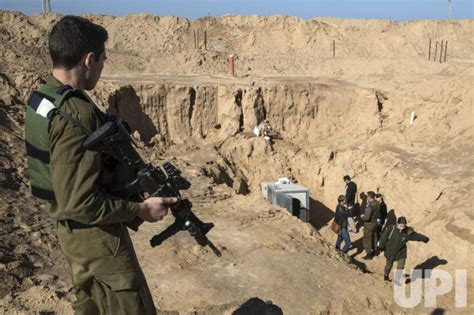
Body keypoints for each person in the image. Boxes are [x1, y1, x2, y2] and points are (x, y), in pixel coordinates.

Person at [25, 16, 176, 314]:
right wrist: (140, 211)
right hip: (97, 239)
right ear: (89, 60)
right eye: (103, 60)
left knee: (93, 307)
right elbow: (79, 201)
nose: (103, 68)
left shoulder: (44, 97)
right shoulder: (76, 114)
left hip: (73, 237)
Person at [378, 217, 429, 283]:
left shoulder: (408, 232)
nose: (402, 227)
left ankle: (397, 279)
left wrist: (424, 239)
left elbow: (416, 236)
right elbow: (383, 238)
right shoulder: (391, 229)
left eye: (404, 225)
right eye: (400, 225)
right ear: (397, 223)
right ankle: (386, 276)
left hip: (401, 252)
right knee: (389, 265)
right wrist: (380, 246)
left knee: (401, 266)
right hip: (390, 251)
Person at [361, 191, 380, 260]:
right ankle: (376, 251)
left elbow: (367, 217)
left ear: (369, 197)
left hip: (369, 224)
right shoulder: (377, 203)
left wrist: (362, 216)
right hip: (375, 223)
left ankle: (369, 254)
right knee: (375, 237)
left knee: (367, 239)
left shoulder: (370, 205)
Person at [334, 195, 351, 262]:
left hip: (340, 226)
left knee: (339, 239)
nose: (346, 200)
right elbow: (349, 214)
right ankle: (343, 253)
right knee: (348, 243)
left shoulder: (339, 206)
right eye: (345, 199)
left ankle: (336, 250)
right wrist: (349, 209)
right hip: (342, 227)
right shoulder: (341, 209)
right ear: (341, 201)